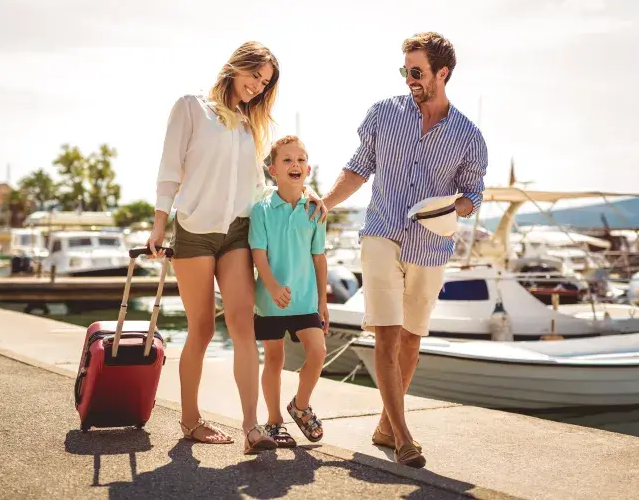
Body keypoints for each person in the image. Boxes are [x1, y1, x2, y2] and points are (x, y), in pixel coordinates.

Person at [146, 41, 326, 456]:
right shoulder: (191, 107)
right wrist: (158, 223)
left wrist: (306, 191)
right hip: (194, 230)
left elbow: (261, 183)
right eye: (255, 76)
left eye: (265, 83)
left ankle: (251, 428)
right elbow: (170, 168)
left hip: (237, 232)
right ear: (236, 67)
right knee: (202, 328)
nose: (257, 87)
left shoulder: (249, 125)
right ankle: (191, 420)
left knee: (242, 326)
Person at [322, 32, 488, 468]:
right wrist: (324, 203)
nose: (409, 79)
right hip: (381, 232)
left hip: (430, 245)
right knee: (387, 333)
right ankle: (404, 437)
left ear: (442, 73)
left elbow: (473, 193)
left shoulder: (469, 135)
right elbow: (358, 168)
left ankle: (385, 425)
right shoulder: (384, 113)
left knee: (411, 340)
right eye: (405, 70)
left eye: (417, 71)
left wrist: (455, 207)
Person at [249, 135, 329, 448]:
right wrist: (271, 285)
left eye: (300, 160)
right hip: (270, 301)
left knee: (318, 352)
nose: (295, 164)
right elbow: (258, 254)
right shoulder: (262, 210)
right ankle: (274, 421)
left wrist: (323, 301)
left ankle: (300, 405)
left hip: (306, 299)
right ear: (273, 170)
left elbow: (319, 258)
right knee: (274, 358)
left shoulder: (315, 211)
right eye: (287, 160)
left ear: (307, 169)